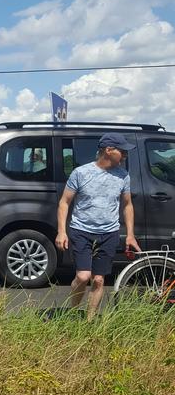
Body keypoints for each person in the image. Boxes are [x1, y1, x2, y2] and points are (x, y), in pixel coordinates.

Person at [55, 133, 141, 320]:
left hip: (109, 233)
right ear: (109, 151)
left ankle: (89, 321)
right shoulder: (81, 173)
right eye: (122, 151)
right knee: (83, 277)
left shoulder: (123, 176)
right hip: (81, 231)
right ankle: (72, 314)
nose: (125, 155)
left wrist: (130, 234)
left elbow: (127, 205)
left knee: (99, 280)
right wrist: (62, 231)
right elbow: (64, 202)